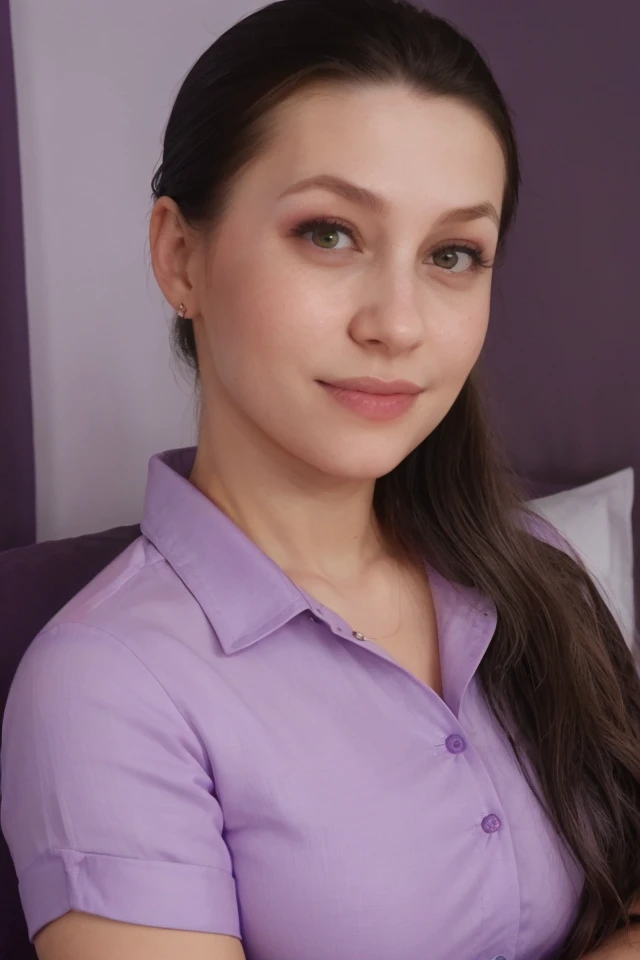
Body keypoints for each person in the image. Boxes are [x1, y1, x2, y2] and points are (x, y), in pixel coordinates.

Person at [2, 0, 640, 958]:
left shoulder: (535, 570)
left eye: (453, 255)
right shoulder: (107, 685)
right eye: (330, 234)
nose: (398, 322)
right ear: (181, 256)